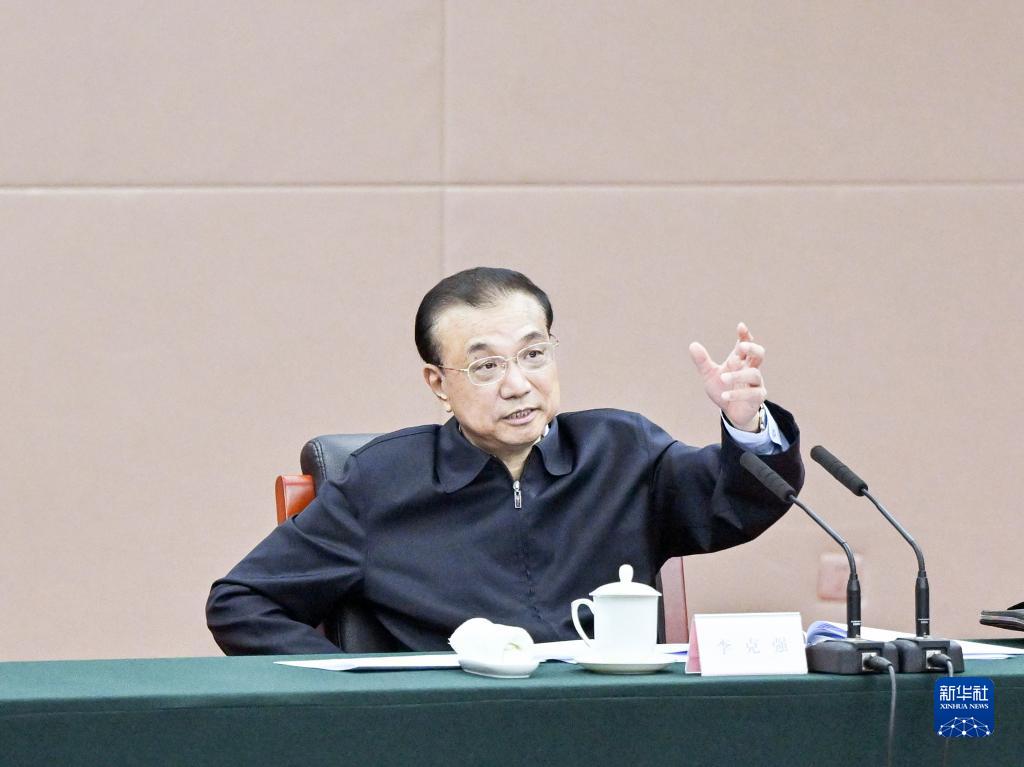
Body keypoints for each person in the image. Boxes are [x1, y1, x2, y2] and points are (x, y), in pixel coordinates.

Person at [206, 267, 803, 654]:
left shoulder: (622, 451)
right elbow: (241, 603)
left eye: (534, 354)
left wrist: (746, 424)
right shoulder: (380, 482)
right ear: (438, 383)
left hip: (609, 729)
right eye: (486, 365)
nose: (518, 384)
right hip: (453, 735)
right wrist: (356, 692)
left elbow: (733, 505)